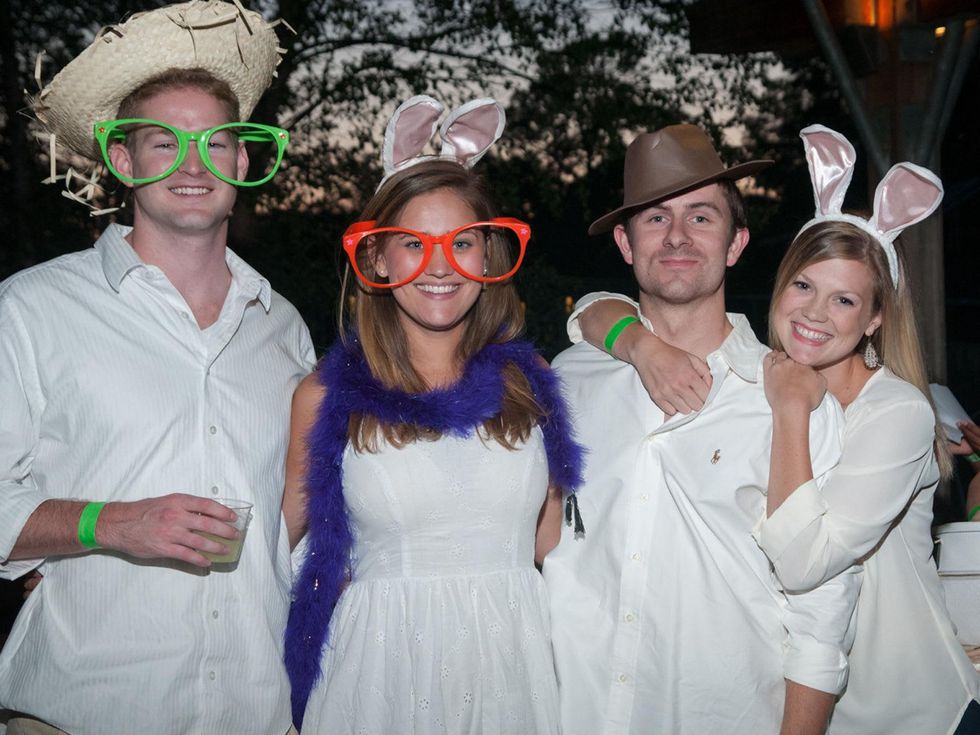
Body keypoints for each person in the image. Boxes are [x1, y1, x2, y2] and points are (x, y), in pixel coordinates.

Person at [571, 125, 980, 734]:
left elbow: (802, 567)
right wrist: (633, 340)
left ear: (874, 320)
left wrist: (790, 411)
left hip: (903, 706)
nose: (816, 312)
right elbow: (589, 312)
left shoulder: (888, 411)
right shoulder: (760, 373)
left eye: (845, 301)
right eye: (805, 286)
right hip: (822, 708)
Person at [0, 4, 312, 734]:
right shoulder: (31, 308)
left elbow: (294, 523)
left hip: (255, 714)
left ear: (243, 160)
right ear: (124, 160)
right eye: (163, 142)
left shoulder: (285, 327)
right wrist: (111, 523)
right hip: (84, 714)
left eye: (215, 142)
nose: (194, 163)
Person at [542, 123, 860, 735]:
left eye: (701, 218)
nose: (678, 237)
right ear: (624, 242)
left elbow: (822, 619)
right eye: (655, 219)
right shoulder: (571, 377)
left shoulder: (795, 401)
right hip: (570, 709)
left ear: (736, 243)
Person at [281, 95, 583, 734]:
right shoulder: (322, 397)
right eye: (413, 243)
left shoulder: (533, 387)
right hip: (381, 679)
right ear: (377, 260)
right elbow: (279, 559)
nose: (440, 265)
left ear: (488, 257)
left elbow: (556, 550)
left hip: (515, 673)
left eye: (462, 242)